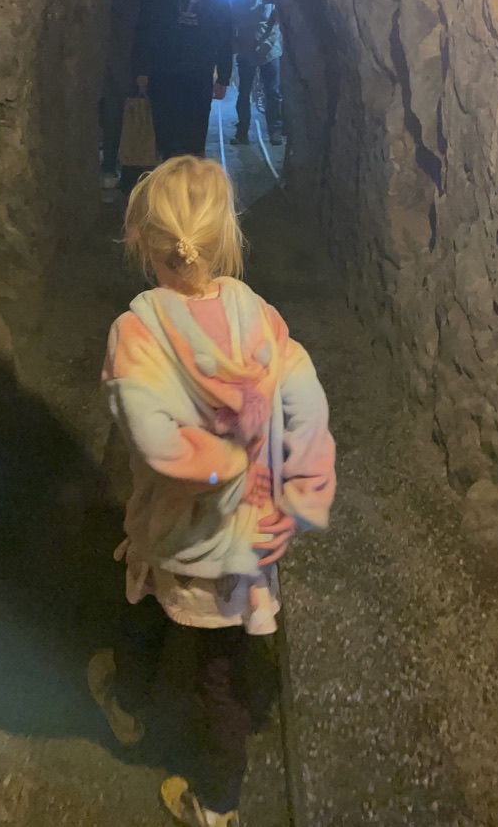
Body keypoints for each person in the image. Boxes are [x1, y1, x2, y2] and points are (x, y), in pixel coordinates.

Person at [91, 156, 336, 827]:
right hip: (247, 538)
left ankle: (152, 733)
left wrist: (218, 464)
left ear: (142, 240)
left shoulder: (137, 333)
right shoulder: (255, 313)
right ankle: (209, 789)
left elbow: (162, 448)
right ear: (226, 235)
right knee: (220, 664)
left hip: (178, 530)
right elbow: (304, 399)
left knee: (157, 614)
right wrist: (303, 490)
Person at [134, 0, 233, 160]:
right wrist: (224, 76)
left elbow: (145, 28)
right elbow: (225, 35)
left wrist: (141, 69)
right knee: (194, 136)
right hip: (199, 72)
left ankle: (167, 183)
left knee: (165, 134)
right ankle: (191, 187)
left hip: (163, 69)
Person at [101, 0, 159, 189]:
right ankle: (144, 170)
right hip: (153, 70)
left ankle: (113, 169)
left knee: (116, 121)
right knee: (147, 123)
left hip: (119, 68)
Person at [231, 0, 283, 147]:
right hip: (246, 48)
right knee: (244, 91)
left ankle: (275, 130)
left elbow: (277, 20)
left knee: (273, 92)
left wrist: (266, 44)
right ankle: (242, 131)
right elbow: (232, 20)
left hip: (269, 50)